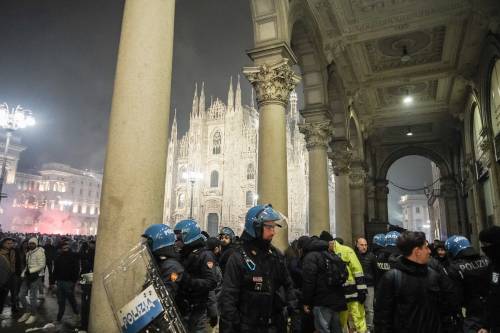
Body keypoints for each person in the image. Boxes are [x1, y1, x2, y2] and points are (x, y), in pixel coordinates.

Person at [219, 204, 295, 333]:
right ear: (256, 227)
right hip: (248, 326)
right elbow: (228, 298)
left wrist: (294, 314)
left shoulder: (276, 255)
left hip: (274, 325)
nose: (273, 231)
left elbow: (289, 286)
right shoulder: (239, 257)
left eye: (274, 226)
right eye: (269, 227)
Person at [374, 231, 456, 333]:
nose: (429, 251)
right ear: (417, 251)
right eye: (425, 248)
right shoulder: (392, 278)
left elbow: (445, 310)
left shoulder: (433, 276)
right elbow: (382, 318)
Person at [319, 231, 368, 333]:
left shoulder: (346, 250)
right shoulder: (326, 252)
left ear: (331, 242)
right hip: (340, 294)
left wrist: (362, 290)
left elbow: (357, 270)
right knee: (341, 321)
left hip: (353, 292)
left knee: (358, 318)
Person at [174, 219, 217, 333]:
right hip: (183, 306)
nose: (177, 240)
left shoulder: (205, 255)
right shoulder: (184, 254)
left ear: (187, 236)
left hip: (197, 309)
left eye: (179, 237)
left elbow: (211, 282)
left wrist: (189, 281)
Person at [299, 235, 346, 333]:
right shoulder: (331, 254)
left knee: (323, 329)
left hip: (321, 300)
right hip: (337, 299)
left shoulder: (311, 257)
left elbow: (309, 282)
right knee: (336, 329)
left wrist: (306, 301)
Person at [444, 235, 489, 333]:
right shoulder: (486, 260)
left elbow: (455, 298)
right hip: (491, 311)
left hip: (471, 316)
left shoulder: (454, 269)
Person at [142, 224, 184, 298]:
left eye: (148, 242)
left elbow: (165, 296)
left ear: (159, 242)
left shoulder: (172, 266)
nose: (144, 244)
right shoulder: (159, 262)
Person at [18, 237, 46, 325]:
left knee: (32, 297)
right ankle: (27, 311)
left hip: (35, 277)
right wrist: (23, 273)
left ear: (36, 244)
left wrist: (31, 271)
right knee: (21, 295)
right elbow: (27, 265)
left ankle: (33, 314)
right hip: (27, 277)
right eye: (30, 243)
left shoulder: (40, 252)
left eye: (32, 243)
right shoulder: (28, 253)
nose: (30, 245)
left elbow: (42, 265)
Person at [478, 225, 500, 333]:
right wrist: (486, 325)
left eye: (486, 244)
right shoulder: (492, 265)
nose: (483, 248)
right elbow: (492, 297)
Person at [53, 240, 80, 323]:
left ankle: (77, 315)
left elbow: (76, 270)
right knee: (61, 302)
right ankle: (58, 318)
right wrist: (53, 281)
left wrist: (73, 281)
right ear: (61, 249)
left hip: (68, 282)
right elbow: (55, 270)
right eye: (64, 248)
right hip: (60, 282)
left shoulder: (73, 257)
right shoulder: (58, 257)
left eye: (67, 248)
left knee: (71, 300)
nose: (65, 249)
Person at [355, 237, 377, 332]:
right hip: (356, 285)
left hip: (369, 285)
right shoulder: (354, 255)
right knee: (358, 309)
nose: (364, 247)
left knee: (369, 309)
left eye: (365, 245)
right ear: (357, 245)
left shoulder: (371, 256)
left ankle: (369, 329)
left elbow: (376, 272)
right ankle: (360, 328)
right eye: (362, 245)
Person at [0, 236, 18, 317]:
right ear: (3, 244)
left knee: (14, 293)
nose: (10, 245)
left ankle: (14, 307)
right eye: (8, 243)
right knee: (2, 295)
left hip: (13, 276)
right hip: (3, 278)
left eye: (11, 243)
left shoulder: (14, 251)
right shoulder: (1, 253)